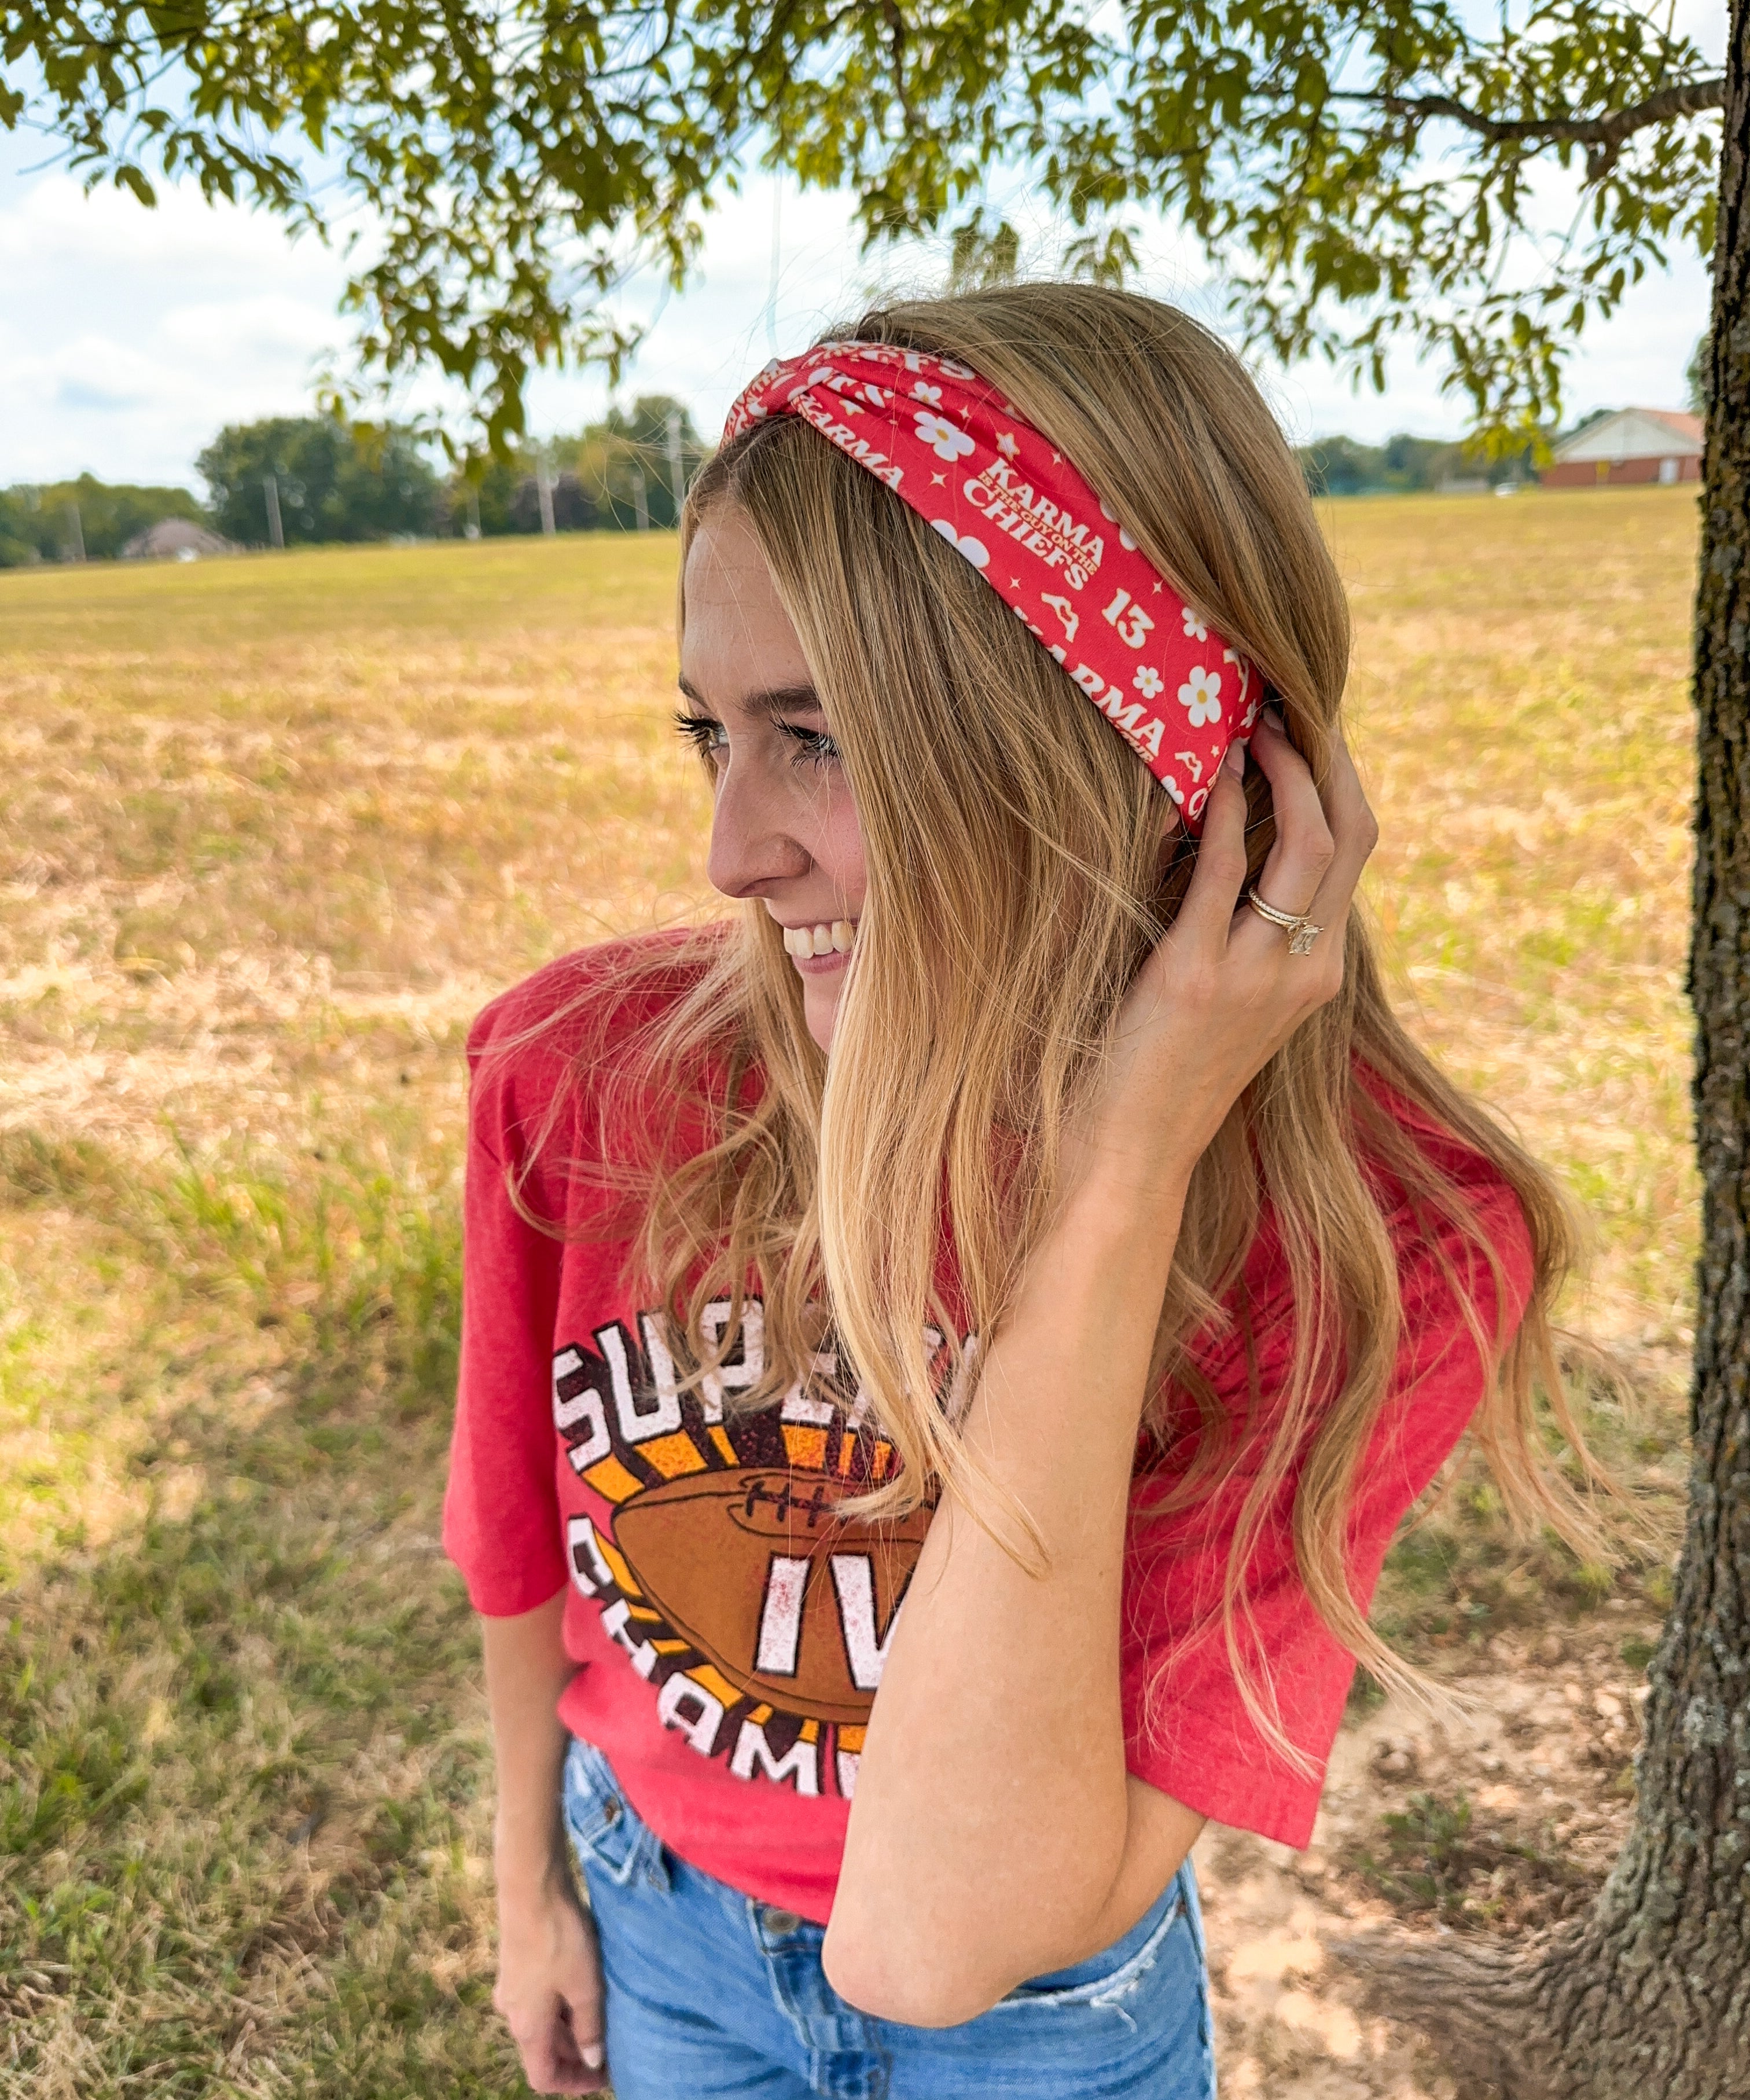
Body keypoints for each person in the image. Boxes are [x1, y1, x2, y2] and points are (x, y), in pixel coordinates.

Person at [443, 284, 1603, 2098]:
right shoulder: (578, 1073)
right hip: (653, 1910)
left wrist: (1126, 1165)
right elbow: (524, 1540)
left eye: (817, 738)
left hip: (1042, 2019)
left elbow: (939, 1937)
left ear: (1125, 750)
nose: (731, 852)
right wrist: (527, 1890)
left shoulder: (1390, 1237)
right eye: (710, 731)